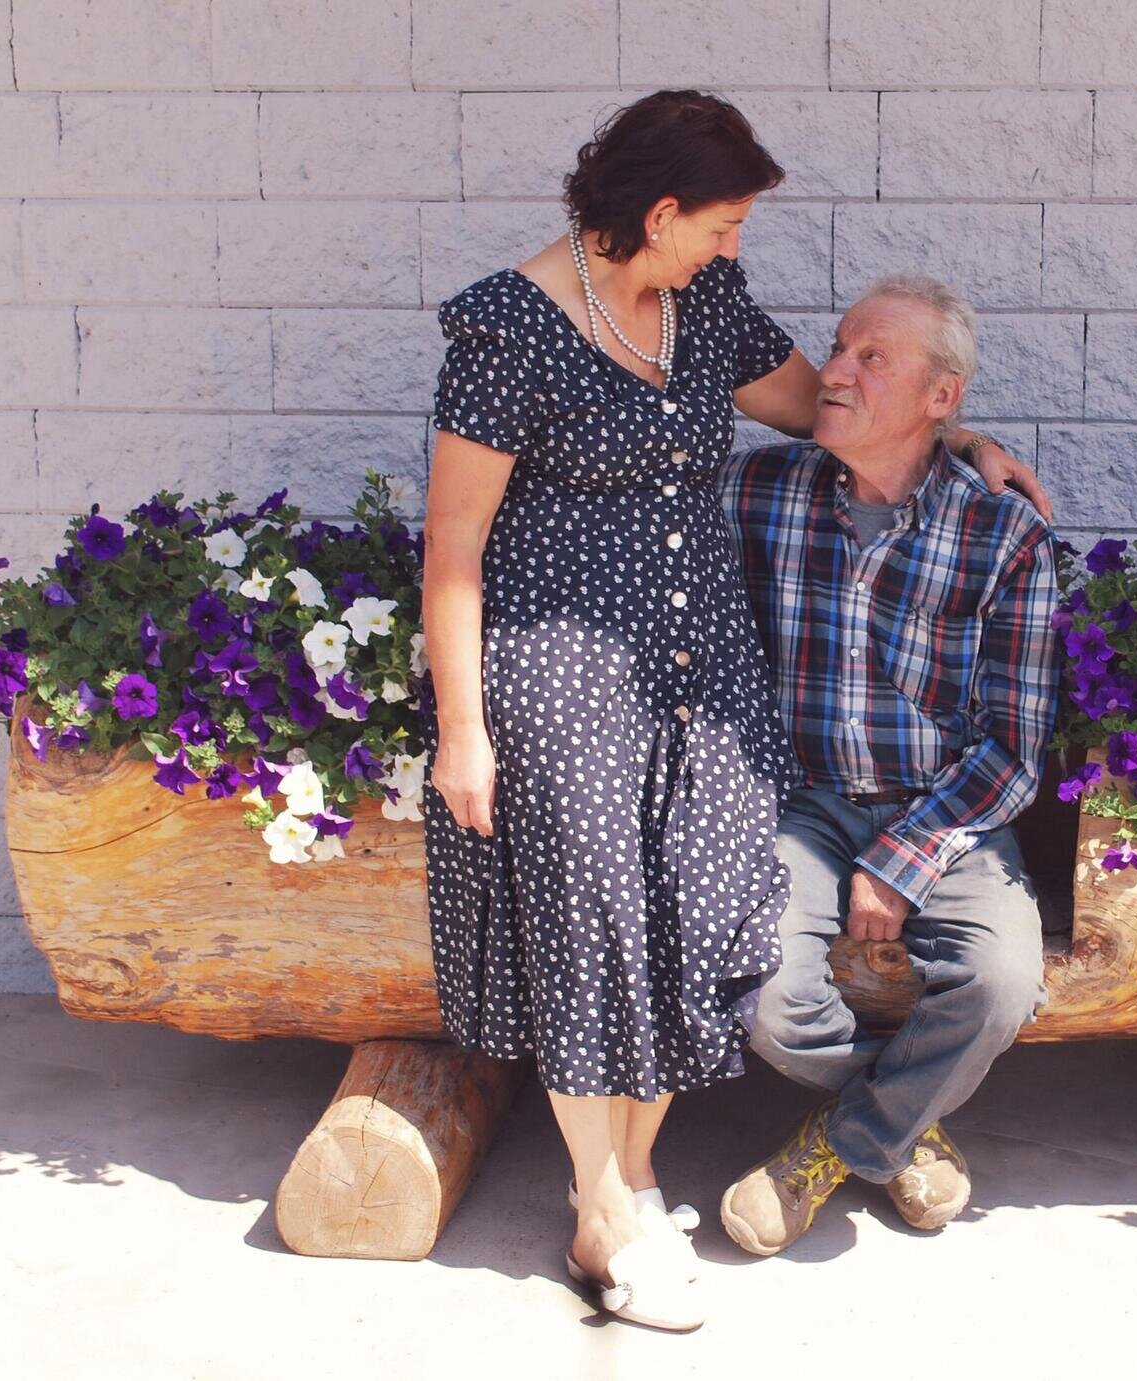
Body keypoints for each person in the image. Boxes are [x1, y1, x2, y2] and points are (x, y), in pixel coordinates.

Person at [419, 91, 1046, 1331]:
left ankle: (672, 1170)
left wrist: (957, 430)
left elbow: (836, 401)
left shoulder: (699, 306)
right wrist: (463, 727)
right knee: (595, 923)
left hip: (707, 673)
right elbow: (451, 549)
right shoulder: (504, 331)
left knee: (704, 919)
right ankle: (608, 1207)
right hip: (562, 673)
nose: (736, 246)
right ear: (660, 215)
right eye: (725, 223)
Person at [717, 275, 1061, 1257]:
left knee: (998, 979)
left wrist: (900, 862)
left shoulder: (1004, 534)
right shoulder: (763, 492)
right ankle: (906, 1122)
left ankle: (839, 1142)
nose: (835, 370)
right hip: (804, 806)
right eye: (838, 349)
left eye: (873, 358)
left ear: (940, 398)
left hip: (950, 813)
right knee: (767, 993)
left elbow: (1012, 748)